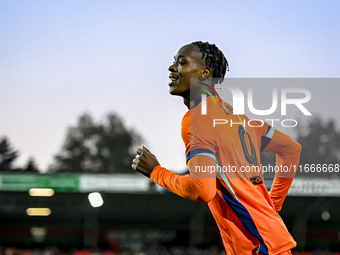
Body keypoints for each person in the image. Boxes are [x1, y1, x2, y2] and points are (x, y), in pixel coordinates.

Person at [132, 41, 301, 255]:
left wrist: (156, 172)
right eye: (174, 62)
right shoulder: (241, 120)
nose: (171, 68)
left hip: (259, 247)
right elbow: (291, 149)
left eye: (181, 62)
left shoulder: (197, 120)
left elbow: (202, 189)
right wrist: (272, 206)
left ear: (204, 73)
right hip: (270, 242)